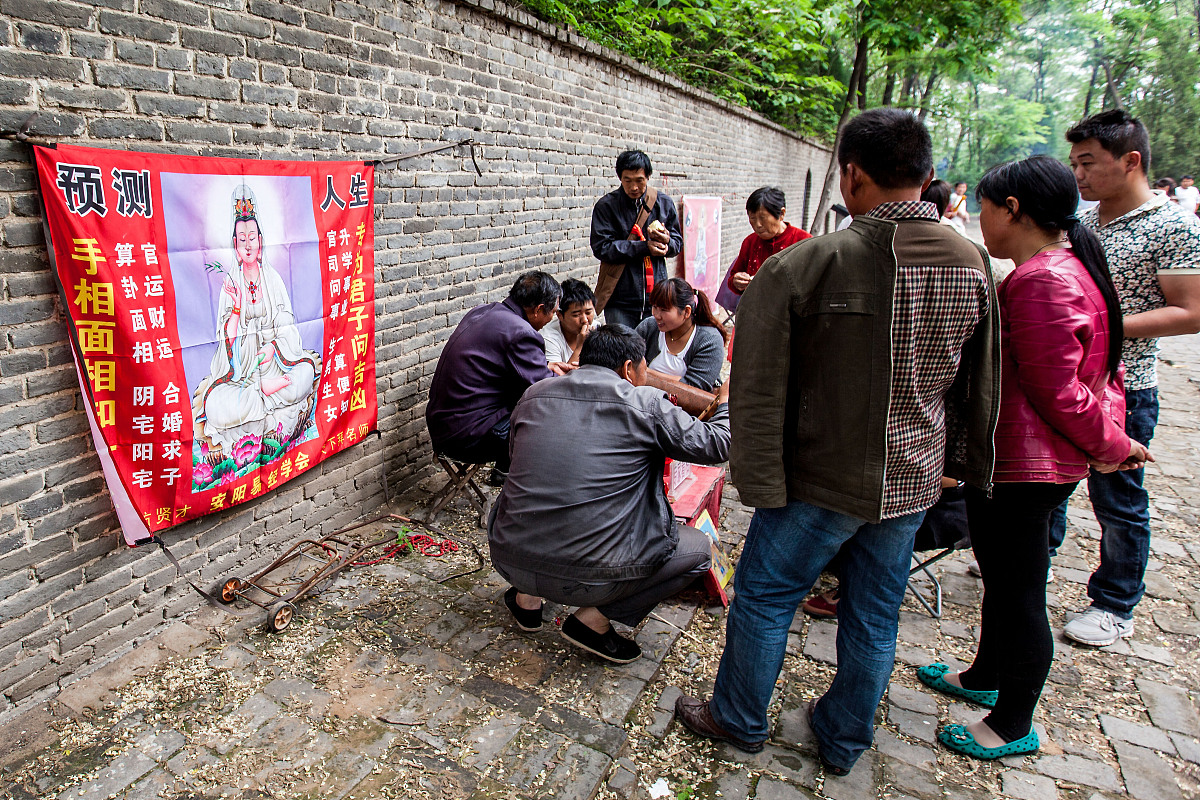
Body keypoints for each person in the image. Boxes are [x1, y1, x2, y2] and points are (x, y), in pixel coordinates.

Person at [673, 108, 999, 775]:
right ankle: (845, 738)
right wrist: (959, 466)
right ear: (928, 175)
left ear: (850, 175)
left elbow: (756, 389)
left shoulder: (805, 265)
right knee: (876, 616)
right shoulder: (974, 266)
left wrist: (759, 484)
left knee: (765, 598)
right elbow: (979, 386)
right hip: (912, 479)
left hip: (816, 480)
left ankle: (738, 717)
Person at [918, 155, 1151, 761]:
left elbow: (1061, 390)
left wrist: (1113, 447)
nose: (978, 219)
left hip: (1026, 467)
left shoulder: (1046, 279)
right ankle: (984, 674)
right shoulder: (1059, 268)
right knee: (1002, 577)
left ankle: (1012, 720)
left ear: (1013, 210)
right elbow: (1101, 374)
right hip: (1020, 463)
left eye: (985, 209)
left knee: (1021, 591)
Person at [488, 325, 731, 663]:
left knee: (531, 491)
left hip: (508, 557)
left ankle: (527, 600)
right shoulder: (645, 404)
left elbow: (516, 460)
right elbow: (718, 443)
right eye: (645, 367)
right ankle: (593, 620)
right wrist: (725, 403)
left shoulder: (534, 394)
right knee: (699, 550)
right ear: (630, 369)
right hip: (591, 578)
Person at [1054, 110, 1200, 646]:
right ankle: (1041, 556)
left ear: (1131, 160)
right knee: (1050, 479)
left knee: (1117, 496)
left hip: (1126, 386)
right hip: (1069, 378)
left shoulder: (1174, 226)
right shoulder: (1085, 224)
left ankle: (1115, 602)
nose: (1079, 176)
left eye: (1088, 163)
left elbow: (1192, 311)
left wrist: (1102, 325)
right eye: (1074, 164)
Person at [193, 184, 321, 465]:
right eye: (242, 239)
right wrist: (237, 307)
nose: (248, 244)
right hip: (242, 376)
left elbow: (286, 321)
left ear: (260, 242)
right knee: (215, 406)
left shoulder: (272, 278)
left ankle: (268, 392)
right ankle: (260, 394)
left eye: (253, 237)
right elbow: (227, 340)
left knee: (305, 372)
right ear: (236, 248)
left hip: (275, 365)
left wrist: (274, 348)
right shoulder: (231, 283)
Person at [425, 272, 563, 478]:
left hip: (443, 426)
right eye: (552, 312)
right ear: (538, 310)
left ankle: (504, 475)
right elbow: (545, 388)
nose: (551, 318)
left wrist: (547, 366)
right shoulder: (521, 332)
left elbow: (510, 366)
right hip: (465, 436)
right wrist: (569, 379)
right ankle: (522, 489)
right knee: (547, 421)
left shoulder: (483, 311)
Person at [590, 150, 683, 329]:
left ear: (648, 177)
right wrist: (644, 247)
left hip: (657, 299)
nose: (634, 187)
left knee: (654, 353)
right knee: (622, 351)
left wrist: (667, 244)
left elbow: (677, 243)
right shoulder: (606, 206)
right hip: (620, 299)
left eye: (639, 180)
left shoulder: (663, 203)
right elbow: (602, 247)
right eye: (628, 180)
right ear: (620, 178)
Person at [635, 278, 727, 392]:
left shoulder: (709, 340)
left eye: (664, 310)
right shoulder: (649, 327)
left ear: (686, 312)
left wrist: (646, 372)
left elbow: (694, 388)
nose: (657, 315)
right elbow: (627, 362)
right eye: (654, 307)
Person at [726, 187, 811, 295]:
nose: (758, 225)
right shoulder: (750, 242)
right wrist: (736, 281)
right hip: (755, 308)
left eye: (763, 218)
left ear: (781, 214)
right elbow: (733, 278)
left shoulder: (803, 241)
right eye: (752, 218)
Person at [541, 278, 599, 367]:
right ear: (560, 315)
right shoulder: (548, 338)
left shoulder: (596, 327)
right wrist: (580, 346)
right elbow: (559, 379)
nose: (585, 320)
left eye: (588, 313)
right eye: (576, 315)